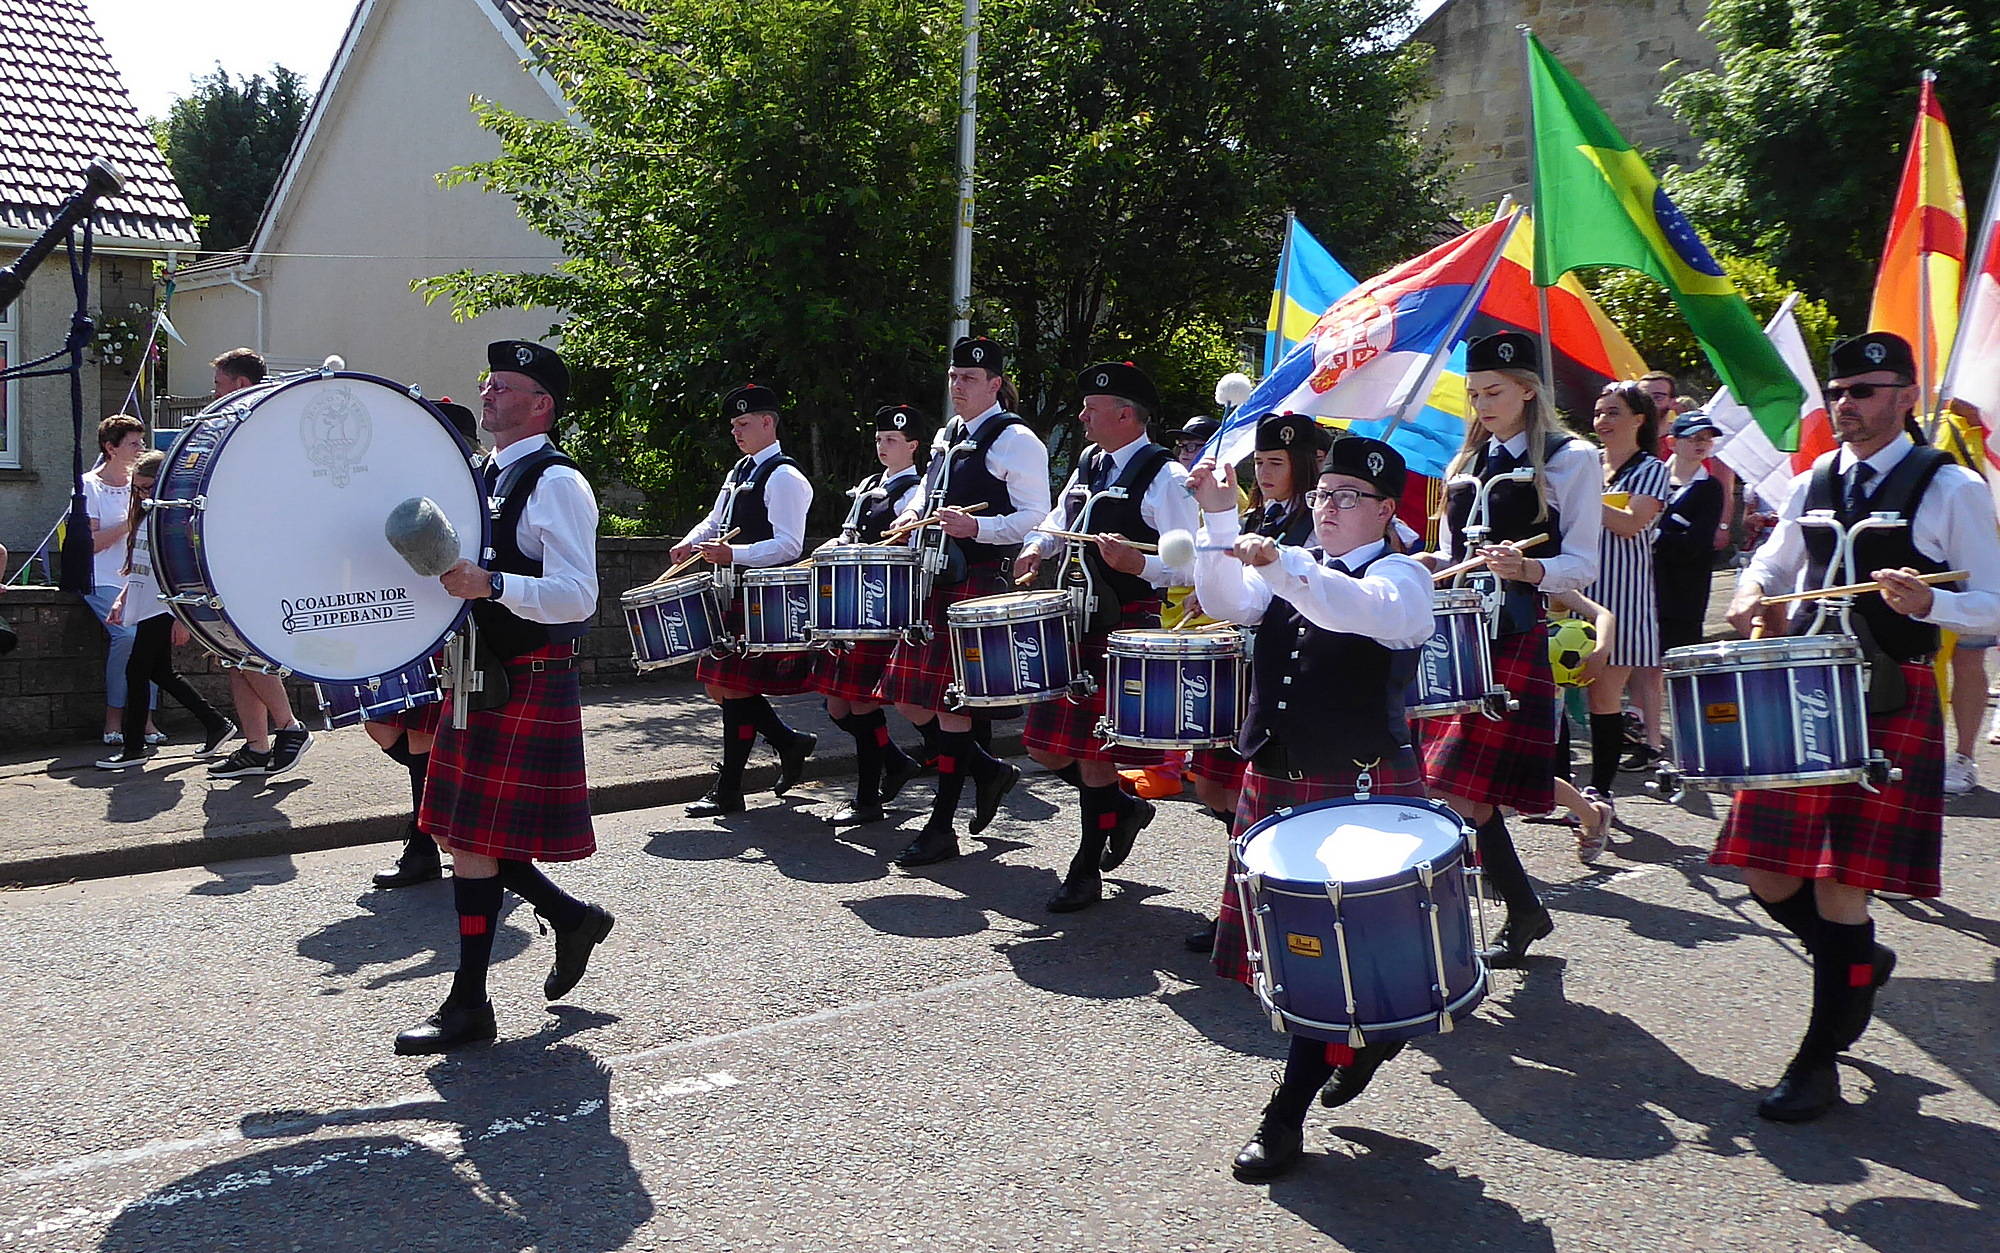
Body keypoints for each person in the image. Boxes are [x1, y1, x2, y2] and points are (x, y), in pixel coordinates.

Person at [1719, 331, 2000, 1120]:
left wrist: (1932, 604)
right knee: (1766, 871)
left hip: (1888, 698)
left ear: (1907, 396)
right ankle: (1859, 961)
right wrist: (1751, 594)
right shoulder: (1816, 476)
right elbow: (1774, 561)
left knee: (1844, 886)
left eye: (1866, 389)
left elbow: (1995, 598)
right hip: (1804, 690)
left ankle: (1819, 1061)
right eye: (1839, 391)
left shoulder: (1951, 487)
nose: (1847, 404)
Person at [1189, 435, 1436, 1182]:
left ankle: (1283, 1114)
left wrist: (1284, 561)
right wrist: (1220, 525)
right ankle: (1370, 1035)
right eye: (1322, 494)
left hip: (1354, 787)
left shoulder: (1402, 578)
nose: (1327, 507)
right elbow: (1225, 599)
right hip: (1279, 775)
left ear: (1387, 510)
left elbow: (1348, 607)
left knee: (1322, 960)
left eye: (1347, 497)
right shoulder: (1294, 563)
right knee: (1297, 955)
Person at [396, 339, 613, 1055]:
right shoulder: (484, 475)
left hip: (525, 674)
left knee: (471, 838)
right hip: (479, 669)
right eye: (487, 382)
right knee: (462, 834)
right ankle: (563, 923)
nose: (487, 393)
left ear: (541, 404)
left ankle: (470, 1003)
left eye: (505, 386)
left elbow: (579, 595)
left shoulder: (556, 483)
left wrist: (494, 586)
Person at [1418, 332, 1602, 967]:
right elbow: (1450, 554)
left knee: (1454, 788)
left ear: (1529, 389)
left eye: (1493, 392)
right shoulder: (1464, 462)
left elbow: (1583, 563)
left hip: (1514, 635)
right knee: (1465, 790)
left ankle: (1465, 922)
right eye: (1473, 394)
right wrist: (1422, 563)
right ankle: (1523, 910)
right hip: (1454, 637)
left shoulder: (1572, 459)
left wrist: (1529, 572)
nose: (1482, 404)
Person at [1015, 361, 1197, 912]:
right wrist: (1035, 545)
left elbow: (1192, 562)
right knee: (1045, 748)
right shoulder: (1091, 460)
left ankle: (1085, 867)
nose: (1082, 416)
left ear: (1125, 414)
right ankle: (1125, 805)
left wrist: (1137, 565)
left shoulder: (1166, 477)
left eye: (1093, 410)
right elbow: (1058, 517)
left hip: (1123, 623)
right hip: (1073, 619)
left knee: (1094, 750)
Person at [877, 336, 1051, 867]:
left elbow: (1038, 518)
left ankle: (941, 826)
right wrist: (913, 515)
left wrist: (980, 525)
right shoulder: (948, 433)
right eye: (954, 376)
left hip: (979, 579)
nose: (958, 385)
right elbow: (931, 492)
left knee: (952, 705)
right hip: (935, 577)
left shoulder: (1018, 440)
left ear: (995, 384)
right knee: (908, 697)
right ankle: (988, 769)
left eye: (970, 378)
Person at [1179, 411, 1328, 951]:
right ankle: (1251, 904)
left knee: (1284, 808)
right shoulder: (1268, 519)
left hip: (1310, 681)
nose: (1264, 473)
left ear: (1308, 465)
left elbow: (1254, 600)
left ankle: (1269, 917)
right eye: (1260, 461)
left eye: (1276, 462)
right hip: (1260, 671)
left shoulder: (1323, 524)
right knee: (1220, 790)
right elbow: (1239, 600)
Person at [672, 384, 818, 817]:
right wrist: (689, 543)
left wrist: (736, 554)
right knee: (720, 685)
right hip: (729, 590)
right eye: (733, 425)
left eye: (743, 424)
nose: (735, 432)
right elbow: (716, 520)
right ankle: (789, 742)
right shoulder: (739, 471)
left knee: (734, 688)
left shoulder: (786, 477)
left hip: (759, 597)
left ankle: (730, 788)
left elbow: (789, 545)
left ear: (768, 423)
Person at [369, 399, 483, 890]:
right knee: (382, 729)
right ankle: (451, 799)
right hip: (405, 622)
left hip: (450, 625)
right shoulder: (414, 486)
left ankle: (422, 844)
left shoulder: (472, 486)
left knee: (419, 738)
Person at [808, 405, 931, 826]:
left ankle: (867, 799)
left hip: (881, 607)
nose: (883, 446)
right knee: (837, 707)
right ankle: (897, 763)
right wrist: (830, 548)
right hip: (849, 605)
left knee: (860, 706)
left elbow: (907, 541)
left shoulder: (917, 491)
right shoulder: (867, 487)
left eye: (892, 441)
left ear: (913, 446)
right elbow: (848, 534)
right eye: (879, 439)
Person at [203, 348, 315, 780]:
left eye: (219, 385)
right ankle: (255, 746)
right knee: (232, 654)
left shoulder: (264, 429)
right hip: (236, 553)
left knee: (246, 650)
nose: (214, 393)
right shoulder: (237, 430)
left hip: (262, 558)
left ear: (241, 386)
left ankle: (290, 727)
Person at [93, 451, 236, 770]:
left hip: (163, 606)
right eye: (138, 489)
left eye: (147, 488)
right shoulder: (147, 513)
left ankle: (133, 748)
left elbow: (182, 568)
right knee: (159, 672)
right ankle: (215, 723)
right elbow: (144, 564)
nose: (142, 495)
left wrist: (180, 616)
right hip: (148, 603)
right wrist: (122, 598)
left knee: (137, 671)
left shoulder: (173, 517)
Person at [1582, 382, 1671, 800]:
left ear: (1639, 419)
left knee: (1602, 696)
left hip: (1623, 599)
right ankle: (1571, 792)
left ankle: (1600, 792)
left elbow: (1631, 523)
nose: (1602, 421)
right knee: (1569, 696)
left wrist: (1579, 498)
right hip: (1577, 594)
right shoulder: (1587, 465)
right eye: (1599, 413)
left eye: (1613, 412)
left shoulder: (1651, 469)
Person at [81, 414, 157, 746]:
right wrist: (132, 519)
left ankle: (145, 721)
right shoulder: (88, 485)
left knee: (148, 636)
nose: (141, 449)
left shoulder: (141, 483)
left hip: (137, 577)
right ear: (111, 448)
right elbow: (92, 543)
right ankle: (114, 717)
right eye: (134, 443)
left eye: (142, 442)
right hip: (101, 578)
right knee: (126, 635)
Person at [1654, 412, 1727, 658]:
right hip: (1646, 588)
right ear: (1672, 443)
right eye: (1694, 438)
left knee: (1681, 654)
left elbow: (1696, 544)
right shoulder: (1652, 479)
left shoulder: (1710, 487)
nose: (1701, 444)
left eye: (1707, 439)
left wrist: (1654, 536)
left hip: (1685, 591)